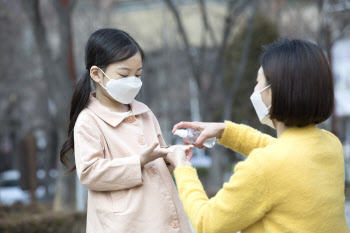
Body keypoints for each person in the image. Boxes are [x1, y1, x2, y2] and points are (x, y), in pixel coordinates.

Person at [168, 39, 349, 233]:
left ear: (276, 91)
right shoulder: (331, 145)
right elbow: (285, 154)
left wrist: (182, 167)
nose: (255, 91)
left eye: (258, 83)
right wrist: (225, 132)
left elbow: (207, 223)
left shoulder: (264, 167)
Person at [60, 28, 193, 233]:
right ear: (96, 74)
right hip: (126, 225)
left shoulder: (145, 112)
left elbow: (157, 165)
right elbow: (90, 173)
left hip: (164, 221)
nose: (133, 81)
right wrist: (139, 161)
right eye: (124, 75)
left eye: (138, 74)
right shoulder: (89, 120)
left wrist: (171, 158)